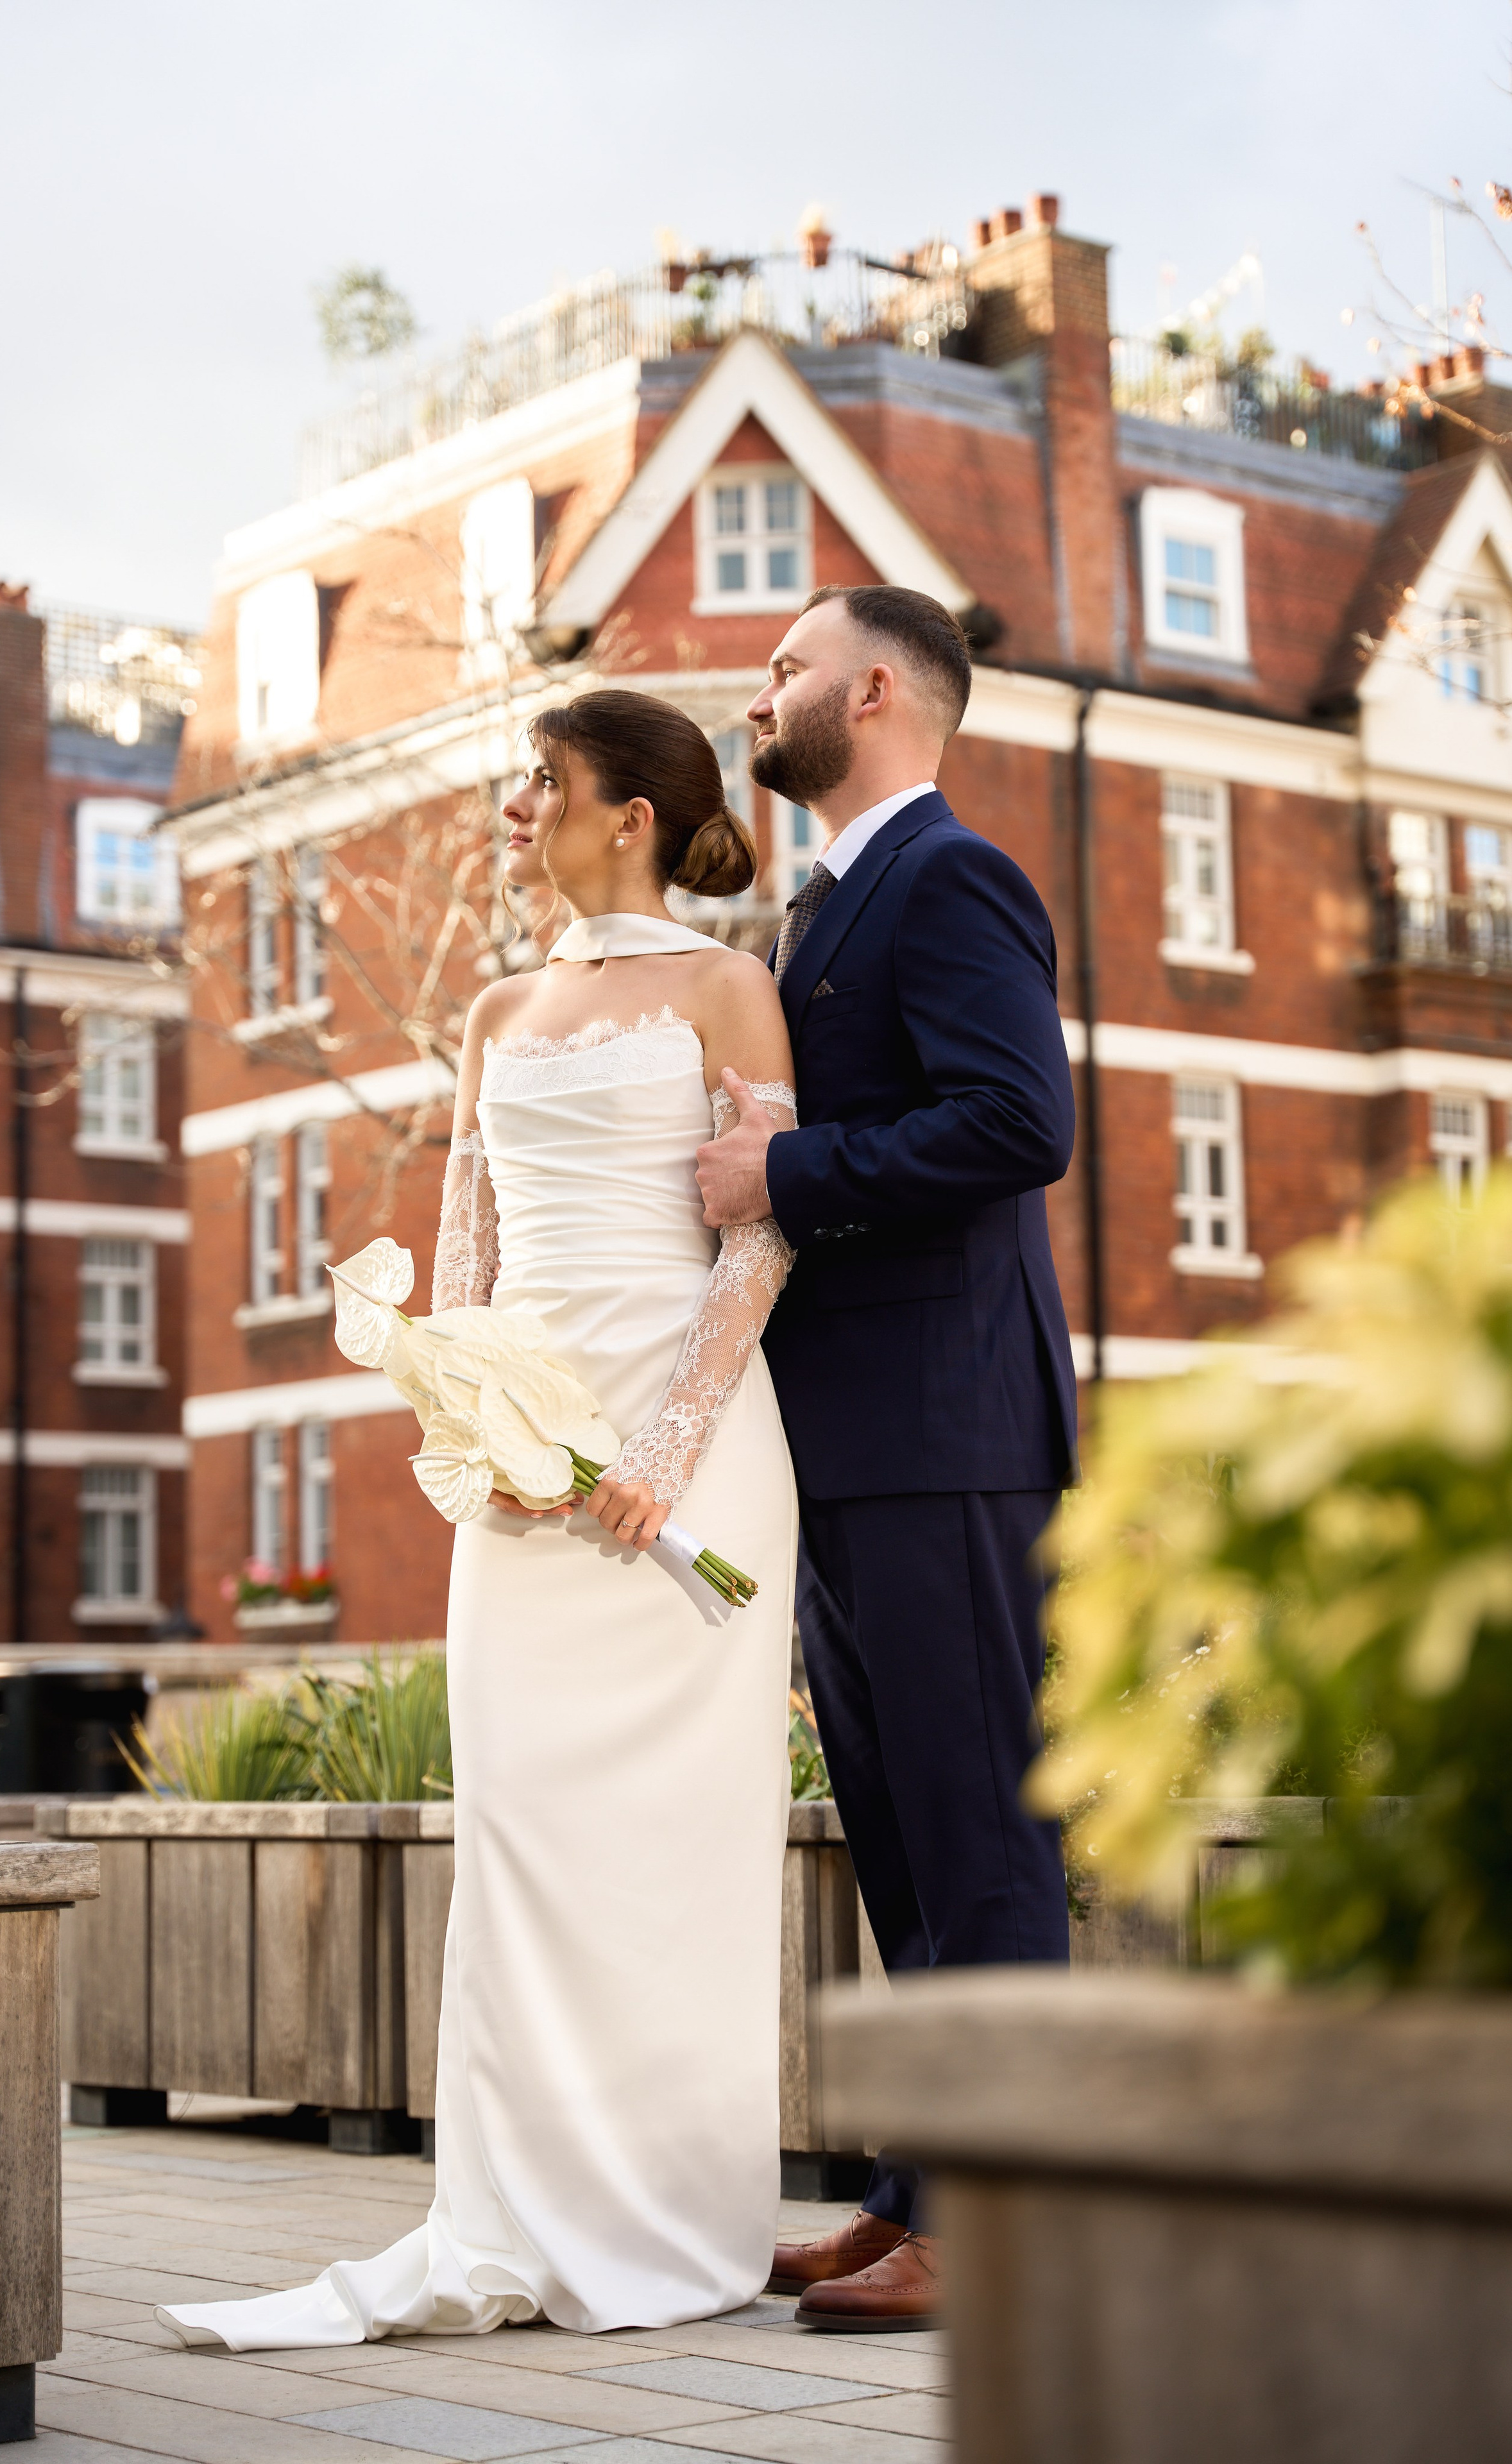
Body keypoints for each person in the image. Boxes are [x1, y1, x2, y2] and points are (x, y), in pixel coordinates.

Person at [157, 690, 801, 2349]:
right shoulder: (493, 1004)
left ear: (630, 816)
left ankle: (677, 2213)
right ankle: (505, 2212)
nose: (519, 807)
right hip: (524, 1473)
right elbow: (464, 1255)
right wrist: (470, 1419)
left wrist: (660, 1449)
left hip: (695, 1450)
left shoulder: (735, 983)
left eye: (545, 782)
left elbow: (761, 1236)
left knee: (676, 1851)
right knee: (520, 1837)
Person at [697, 582, 1077, 2332]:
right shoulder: (823, 905)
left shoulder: (954, 877)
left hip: (949, 1434)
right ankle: (916, 2190)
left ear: (870, 690)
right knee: (904, 1841)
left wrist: (782, 1177)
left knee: (980, 1835)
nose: (753, 693)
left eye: (779, 667)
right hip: (845, 1447)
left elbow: (1021, 1121)